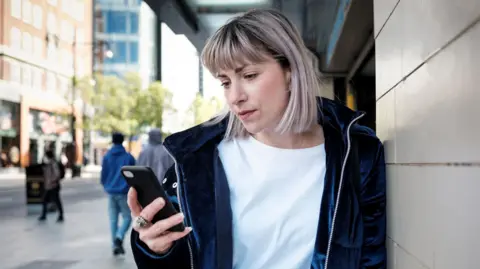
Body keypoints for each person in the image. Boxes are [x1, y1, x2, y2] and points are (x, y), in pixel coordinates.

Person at [128, 9, 386, 269]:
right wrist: (155, 249)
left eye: (249, 76)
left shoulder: (356, 154)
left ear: (290, 71)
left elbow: (370, 258)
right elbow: (181, 259)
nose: (235, 97)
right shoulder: (196, 159)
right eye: (226, 82)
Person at [101, 132, 136, 256]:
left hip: (111, 192)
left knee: (113, 219)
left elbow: (103, 175)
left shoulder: (107, 156)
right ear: (122, 141)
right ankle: (119, 238)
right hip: (124, 192)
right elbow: (134, 175)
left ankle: (115, 245)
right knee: (127, 217)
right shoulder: (128, 157)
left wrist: (106, 186)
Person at [38, 150, 65, 222]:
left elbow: (57, 174)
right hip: (49, 186)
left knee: (56, 201)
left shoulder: (53, 163)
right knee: (46, 200)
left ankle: (61, 215)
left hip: (53, 186)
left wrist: (52, 181)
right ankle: (44, 215)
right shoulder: (49, 163)